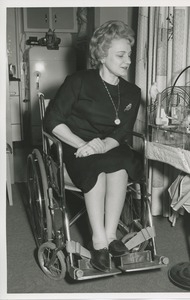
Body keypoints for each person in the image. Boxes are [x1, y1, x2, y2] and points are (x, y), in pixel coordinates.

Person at [44, 20, 142, 272]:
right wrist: (84, 144)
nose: (127, 60)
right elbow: (52, 121)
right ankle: (98, 240)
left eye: (129, 55)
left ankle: (110, 236)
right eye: (121, 55)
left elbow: (122, 132)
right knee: (97, 165)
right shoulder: (77, 81)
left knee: (121, 162)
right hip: (75, 147)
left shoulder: (132, 91)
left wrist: (101, 146)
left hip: (109, 147)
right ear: (101, 54)